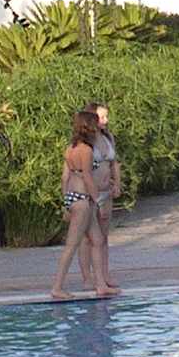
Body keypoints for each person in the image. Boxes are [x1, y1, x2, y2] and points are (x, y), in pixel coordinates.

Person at [51, 109, 114, 301]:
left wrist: (66, 203)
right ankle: (57, 287)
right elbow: (87, 177)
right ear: (89, 127)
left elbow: (66, 177)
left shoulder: (71, 148)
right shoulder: (86, 150)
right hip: (82, 200)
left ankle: (101, 285)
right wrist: (98, 200)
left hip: (74, 197)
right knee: (72, 245)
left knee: (97, 240)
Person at [83, 100, 124, 296]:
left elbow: (114, 163)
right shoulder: (86, 141)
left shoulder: (108, 137)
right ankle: (87, 277)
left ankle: (105, 275)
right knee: (89, 237)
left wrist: (117, 183)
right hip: (92, 192)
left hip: (106, 191)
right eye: (102, 117)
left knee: (104, 236)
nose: (106, 120)